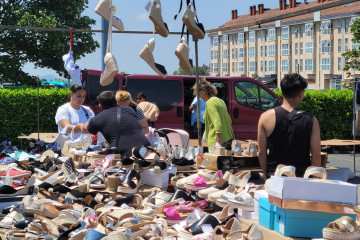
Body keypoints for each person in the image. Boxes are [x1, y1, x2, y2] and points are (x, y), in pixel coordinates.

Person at [257, 73, 321, 178]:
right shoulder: (312, 120)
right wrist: (313, 180)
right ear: (301, 94)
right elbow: (316, 157)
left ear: (282, 92)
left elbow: (261, 152)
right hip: (301, 178)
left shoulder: (265, 117)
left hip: (276, 177)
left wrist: (266, 174)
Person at [87, 91, 150, 157]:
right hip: (145, 148)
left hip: (124, 153)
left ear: (100, 105)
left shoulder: (97, 118)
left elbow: (90, 130)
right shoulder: (130, 110)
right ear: (116, 101)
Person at [193, 79, 234, 149]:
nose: (200, 98)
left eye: (199, 95)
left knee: (214, 160)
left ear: (203, 92)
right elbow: (229, 120)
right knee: (226, 159)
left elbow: (216, 121)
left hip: (217, 141)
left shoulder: (210, 103)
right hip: (228, 138)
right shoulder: (220, 101)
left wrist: (218, 142)